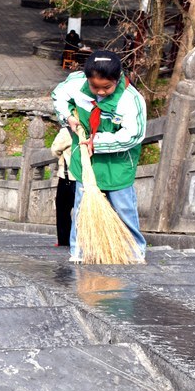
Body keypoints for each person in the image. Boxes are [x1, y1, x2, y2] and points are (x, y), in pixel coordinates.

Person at [51, 51, 147, 263]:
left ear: (118, 78)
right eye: (95, 87)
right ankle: (79, 251)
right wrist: (68, 117)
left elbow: (135, 134)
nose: (101, 92)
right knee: (83, 208)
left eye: (107, 87)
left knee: (124, 208)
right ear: (87, 79)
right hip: (85, 160)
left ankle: (134, 251)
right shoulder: (75, 84)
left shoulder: (131, 100)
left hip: (117, 163)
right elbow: (58, 96)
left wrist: (98, 142)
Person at [50, 126, 75, 247]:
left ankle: (64, 240)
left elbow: (55, 149)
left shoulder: (67, 132)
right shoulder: (90, 128)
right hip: (87, 177)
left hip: (67, 177)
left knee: (63, 210)